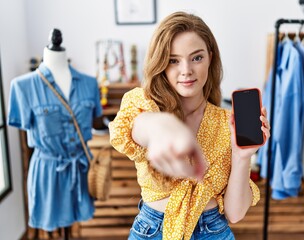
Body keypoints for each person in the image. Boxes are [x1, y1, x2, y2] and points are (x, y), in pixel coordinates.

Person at [109, 11, 270, 240]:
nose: (186, 70)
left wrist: (242, 156)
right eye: (174, 60)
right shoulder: (144, 106)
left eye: (196, 58)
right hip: (152, 231)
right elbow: (140, 126)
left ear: (210, 58)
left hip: (213, 231)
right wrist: (160, 127)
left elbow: (235, 213)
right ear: (161, 63)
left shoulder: (227, 122)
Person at [7, 29, 102, 233]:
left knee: (75, 221)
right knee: (54, 225)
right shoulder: (22, 87)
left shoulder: (89, 84)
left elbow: (96, 120)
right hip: (48, 171)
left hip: (81, 168)